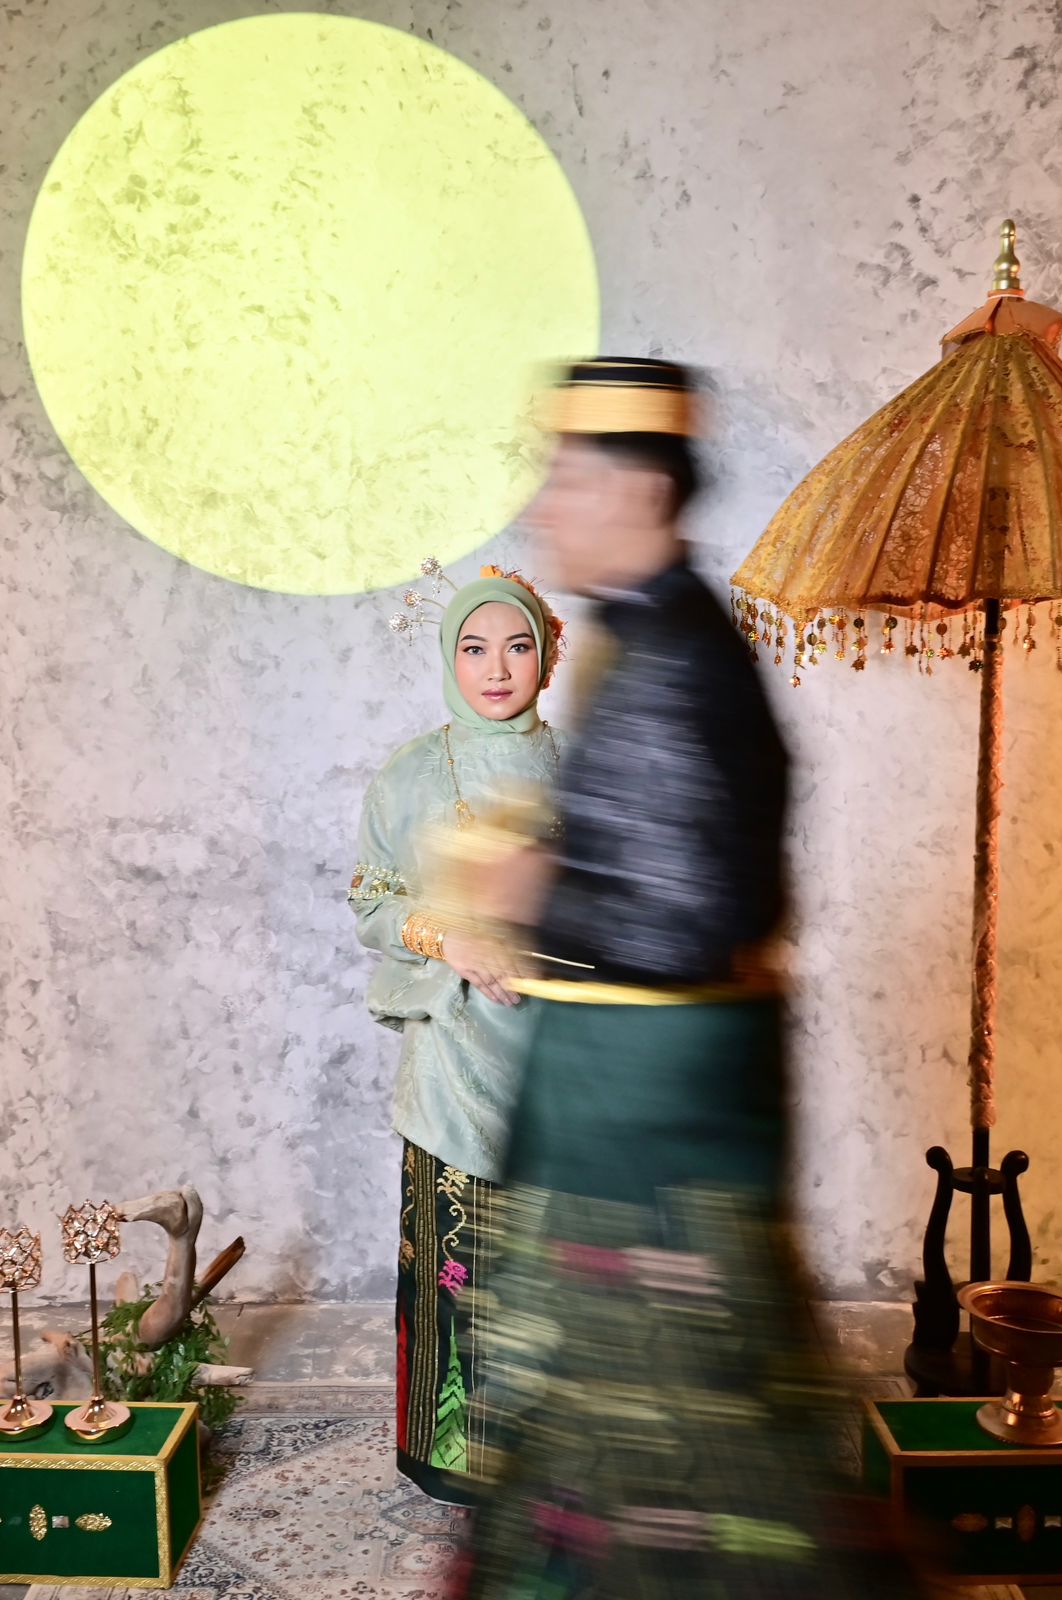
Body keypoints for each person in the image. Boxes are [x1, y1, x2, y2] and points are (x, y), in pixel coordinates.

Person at [450, 359, 920, 1598]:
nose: (546, 506)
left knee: (688, 1437)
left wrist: (530, 889)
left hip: (649, 1141)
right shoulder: (650, 636)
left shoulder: (675, 658)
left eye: (568, 479)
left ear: (642, 491)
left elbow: (694, 918)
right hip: (634, 1118)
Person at [350, 566, 566, 1505]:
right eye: (474, 649)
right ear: (450, 659)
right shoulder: (409, 775)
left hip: (565, 1056)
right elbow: (371, 902)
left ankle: (557, 1460)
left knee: (564, 1264)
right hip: (454, 1053)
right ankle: (456, 1460)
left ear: (547, 657)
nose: (497, 669)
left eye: (517, 646)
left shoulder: (585, 771)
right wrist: (455, 941)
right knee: (457, 1258)